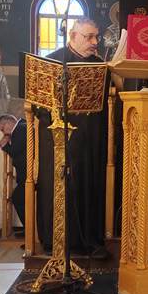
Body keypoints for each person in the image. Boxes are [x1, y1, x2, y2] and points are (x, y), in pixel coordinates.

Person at [36, 19, 109, 258]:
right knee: (58, 185)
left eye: (96, 37)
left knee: (89, 185)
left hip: (89, 140)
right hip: (58, 139)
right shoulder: (52, 61)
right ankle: (55, 241)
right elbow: (39, 103)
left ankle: (90, 240)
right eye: (89, 37)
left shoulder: (99, 65)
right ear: (73, 36)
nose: (95, 42)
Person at [0, 114, 27, 228]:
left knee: (17, 198)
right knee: (19, 198)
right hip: (25, 174)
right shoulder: (21, 126)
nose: (3, 133)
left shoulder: (20, 129)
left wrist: (3, 145)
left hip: (28, 175)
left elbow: (15, 151)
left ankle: (29, 229)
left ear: (8, 123)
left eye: (2, 129)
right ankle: (28, 229)